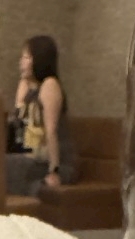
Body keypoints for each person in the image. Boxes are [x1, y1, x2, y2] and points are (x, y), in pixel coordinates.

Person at [5, 35, 79, 197]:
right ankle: (34, 188)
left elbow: (51, 131)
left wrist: (55, 171)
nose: (21, 62)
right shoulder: (28, 88)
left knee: (3, 167)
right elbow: (20, 129)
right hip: (33, 157)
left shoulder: (50, 85)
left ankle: (37, 187)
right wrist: (21, 98)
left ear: (39, 60)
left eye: (26, 57)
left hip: (54, 162)